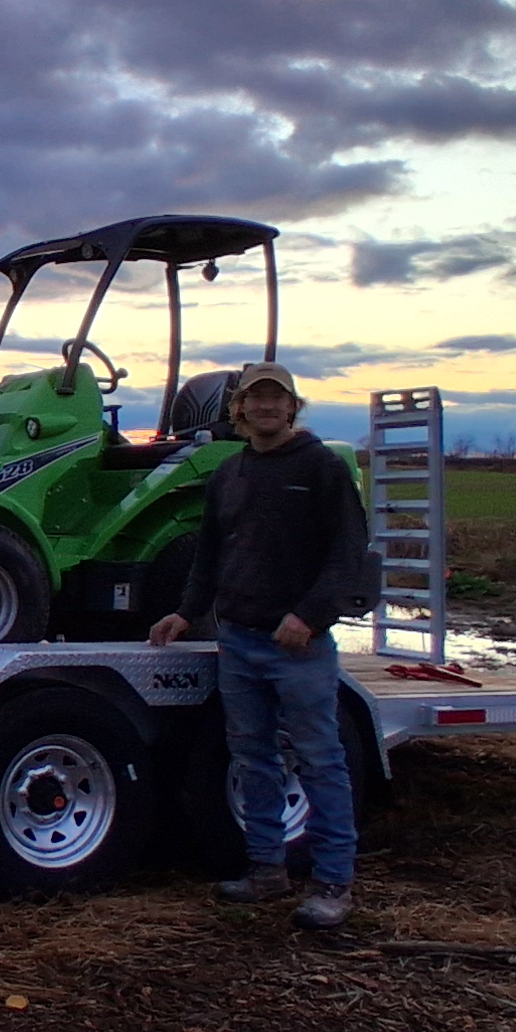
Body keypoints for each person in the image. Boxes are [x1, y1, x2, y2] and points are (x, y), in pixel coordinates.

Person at [147, 362, 370, 929]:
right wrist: (186, 612)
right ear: (239, 409)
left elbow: (348, 553)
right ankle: (267, 869)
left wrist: (310, 616)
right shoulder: (230, 473)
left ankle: (333, 882)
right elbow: (209, 555)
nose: (266, 407)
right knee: (253, 760)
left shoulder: (321, 467)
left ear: (293, 407)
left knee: (319, 760)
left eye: (278, 398)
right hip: (239, 642)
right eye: (255, 398)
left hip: (298, 647)